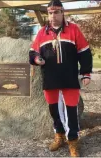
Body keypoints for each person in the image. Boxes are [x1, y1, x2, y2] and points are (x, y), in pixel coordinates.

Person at [29, 0, 93, 157]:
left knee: (71, 110)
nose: (53, 16)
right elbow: (33, 52)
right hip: (50, 79)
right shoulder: (42, 32)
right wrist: (37, 59)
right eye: (50, 13)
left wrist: (86, 73)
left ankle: (73, 141)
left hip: (69, 78)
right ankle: (59, 135)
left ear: (63, 12)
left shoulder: (73, 30)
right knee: (54, 109)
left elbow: (84, 52)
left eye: (56, 12)